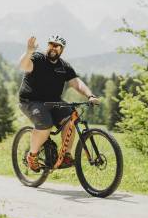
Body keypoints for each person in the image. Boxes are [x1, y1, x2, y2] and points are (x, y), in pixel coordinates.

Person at [18, 35, 99, 171]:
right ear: (48, 46)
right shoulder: (38, 58)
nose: (53, 48)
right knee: (45, 125)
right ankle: (32, 156)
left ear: (62, 49)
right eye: (51, 44)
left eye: (57, 46)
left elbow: (77, 83)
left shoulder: (64, 66)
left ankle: (66, 155)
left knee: (71, 118)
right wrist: (29, 51)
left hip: (53, 101)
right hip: (31, 101)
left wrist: (90, 95)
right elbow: (24, 66)